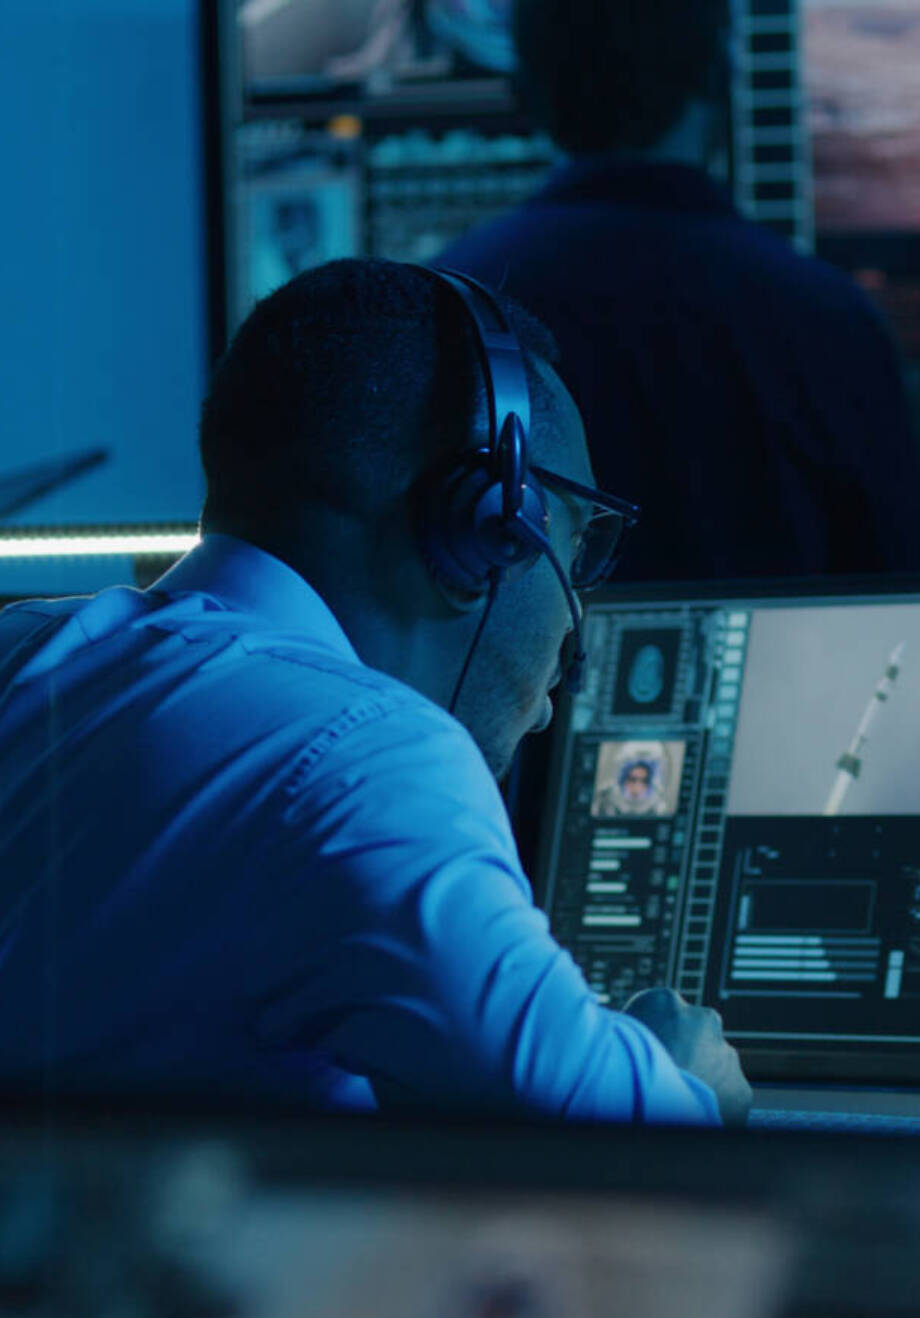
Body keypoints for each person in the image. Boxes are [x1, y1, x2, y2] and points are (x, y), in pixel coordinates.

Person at [0, 259, 749, 1124]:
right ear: (485, 530)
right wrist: (680, 1071)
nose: (572, 613)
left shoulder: (27, 651)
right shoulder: (364, 752)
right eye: (573, 549)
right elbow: (612, 1128)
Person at [438, 0, 920, 581]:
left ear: (525, 91)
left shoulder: (451, 304)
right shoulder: (828, 318)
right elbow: (890, 591)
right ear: (718, 81)